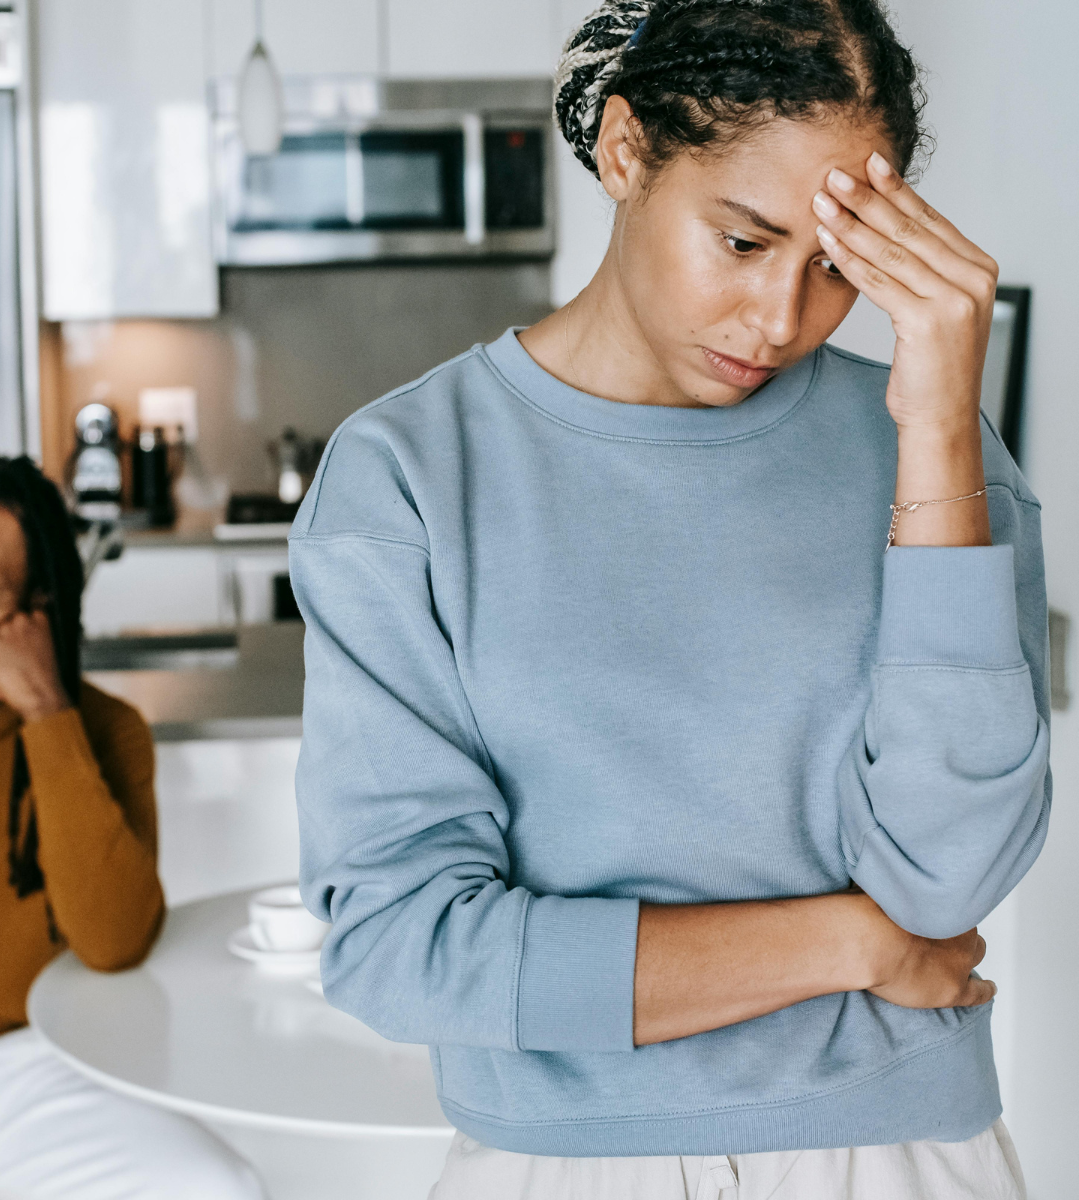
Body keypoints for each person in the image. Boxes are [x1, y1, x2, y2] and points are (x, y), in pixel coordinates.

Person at [290, 0, 1050, 1197]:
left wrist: (940, 427)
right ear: (627, 149)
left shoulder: (931, 454)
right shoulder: (411, 478)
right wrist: (853, 944)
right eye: (744, 242)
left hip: (901, 1153)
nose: (781, 320)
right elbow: (405, 949)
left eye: (837, 267)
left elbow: (946, 881)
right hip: (564, 1167)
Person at [0, 455, 265, 1200]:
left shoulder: (106, 732)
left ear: (39, 606)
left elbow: (114, 943)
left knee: (218, 1188)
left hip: (42, 1060)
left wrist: (47, 716)